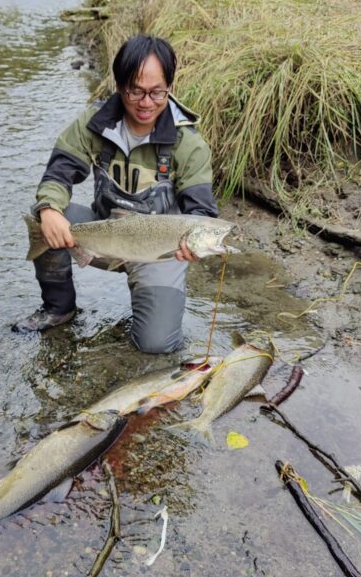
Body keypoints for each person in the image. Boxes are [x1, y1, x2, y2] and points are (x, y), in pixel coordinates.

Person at [12, 34, 218, 353]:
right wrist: (50, 209)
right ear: (120, 86)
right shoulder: (96, 123)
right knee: (47, 217)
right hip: (105, 233)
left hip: (158, 253)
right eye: (136, 91)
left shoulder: (187, 143)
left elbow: (202, 211)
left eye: (156, 92)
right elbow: (59, 172)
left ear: (170, 88)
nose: (146, 102)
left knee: (157, 345)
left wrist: (195, 245)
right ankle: (58, 308)